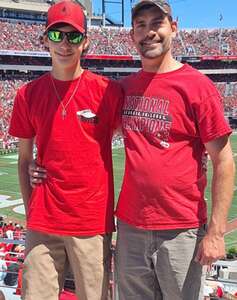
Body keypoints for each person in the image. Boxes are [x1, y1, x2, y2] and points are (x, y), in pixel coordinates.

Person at [114, 1, 235, 300]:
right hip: (130, 225)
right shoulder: (122, 88)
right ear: (132, 35)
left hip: (182, 228)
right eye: (141, 25)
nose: (149, 32)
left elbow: (223, 160)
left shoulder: (197, 86)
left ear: (174, 28)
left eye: (157, 23)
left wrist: (216, 233)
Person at [9, 1, 123, 300]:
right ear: (45, 39)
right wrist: (33, 210)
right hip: (43, 223)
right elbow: (23, 161)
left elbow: (139, 144)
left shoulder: (107, 91)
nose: (65, 44)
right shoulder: (27, 94)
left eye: (73, 36)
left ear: (85, 41)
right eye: (57, 35)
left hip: (91, 222)